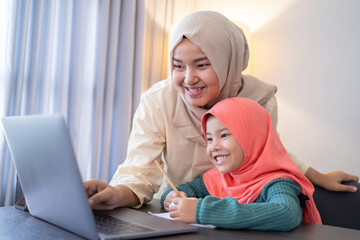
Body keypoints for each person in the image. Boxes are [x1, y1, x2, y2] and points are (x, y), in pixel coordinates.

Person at [84, 11, 358, 210]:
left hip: (240, 212)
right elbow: (140, 168)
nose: (188, 79)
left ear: (228, 60)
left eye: (202, 65)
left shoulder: (257, 99)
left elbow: (266, 154)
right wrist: (118, 192)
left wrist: (317, 176)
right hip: (177, 209)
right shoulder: (159, 100)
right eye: (178, 66)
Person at [161, 97, 322, 230]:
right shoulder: (220, 177)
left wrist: (203, 211)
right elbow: (187, 189)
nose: (214, 146)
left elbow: (286, 213)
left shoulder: (277, 182)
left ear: (252, 137)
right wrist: (172, 198)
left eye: (224, 135)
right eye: (209, 139)